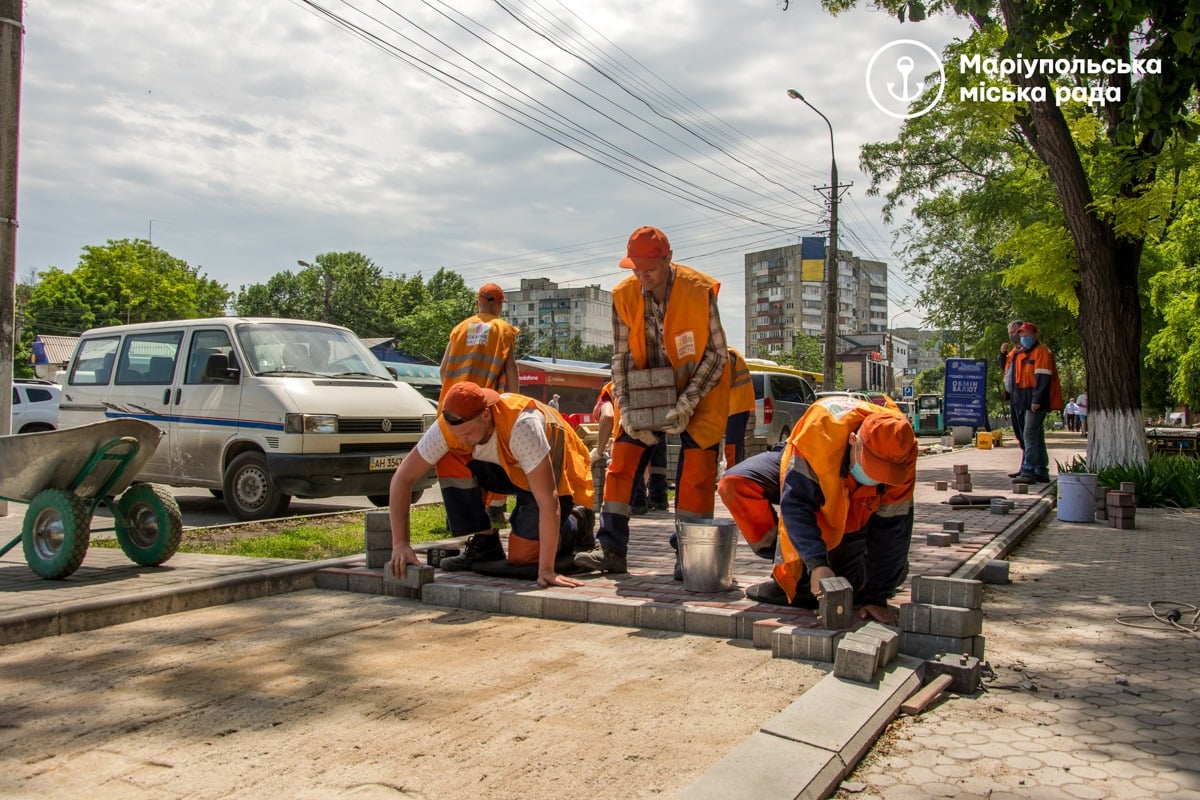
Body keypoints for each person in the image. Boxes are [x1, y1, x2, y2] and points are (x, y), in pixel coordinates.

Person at [575, 226, 730, 575]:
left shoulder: (698, 289)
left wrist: (687, 402)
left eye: (649, 269)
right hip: (646, 390)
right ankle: (611, 549)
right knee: (621, 463)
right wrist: (627, 409)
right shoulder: (624, 295)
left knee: (697, 474)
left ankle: (690, 556)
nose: (642, 277)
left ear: (668, 259)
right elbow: (621, 359)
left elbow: (717, 355)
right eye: (636, 270)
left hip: (701, 388)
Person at [717, 397, 917, 624]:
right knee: (735, 483)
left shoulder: (902, 449)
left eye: (884, 473)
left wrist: (877, 596)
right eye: (871, 467)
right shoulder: (820, 433)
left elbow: (893, 530)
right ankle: (794, 569)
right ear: (854, 440)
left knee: (843, 584)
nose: (875, 477)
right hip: (804, 459)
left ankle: (882, 573)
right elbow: (797, 504)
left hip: (856, 507)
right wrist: (816, 564)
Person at [387, 381, 594, 588]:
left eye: (467, 434)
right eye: (457, 434)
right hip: (509, 468)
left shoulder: (522, 426)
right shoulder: (450, 427)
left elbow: (548, 500)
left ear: (486, 415)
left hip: (552, 469)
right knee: (448, 456)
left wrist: (546, 570)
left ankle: (577, 520)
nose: (462, 440)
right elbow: (402, 478)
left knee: (523, 557)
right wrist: (400, 544)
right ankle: (485, 543)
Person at [440, 283, 520, 528]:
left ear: (478, 302)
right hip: (483, 410)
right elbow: (511, 371)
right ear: (497, 304)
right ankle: (489, 513)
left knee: (456, 464)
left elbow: (443, 370)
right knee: (488, 463)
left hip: (452, 410)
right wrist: (512, 404)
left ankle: (458, 518)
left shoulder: (459, 329)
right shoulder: (503, 330)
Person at [590, 380, 668, 516]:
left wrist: (598, 452)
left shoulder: (605, 395)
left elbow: (608, 416)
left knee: (632, 462)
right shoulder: (627, 381)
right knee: (656, 462)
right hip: (656, 414)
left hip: (630, 425)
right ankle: (659, 498)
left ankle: (638, 503)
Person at [1011, 322, 1063, 484]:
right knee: (1036, 435)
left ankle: (1029, 470)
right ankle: (1041, 470)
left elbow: (1043, 377)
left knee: (1029, 434)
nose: (1023, 338)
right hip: (1025, 399)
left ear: (1035, 335)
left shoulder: (1041, 352)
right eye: (1021, 335)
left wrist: (1036, 400)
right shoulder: (1023, 353)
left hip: (1036, 400)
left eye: (1026, 335)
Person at [998, 320, 1025, 473]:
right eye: (1009, 332)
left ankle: (1032, 468)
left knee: (1027, 435)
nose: (1011, 335)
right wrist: (1002, 354)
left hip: (1025, 397)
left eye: (1013, 332)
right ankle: (1025, 467)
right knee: (1020, 434)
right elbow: (1006, 368)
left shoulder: (1028, 350)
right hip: (1014, 396)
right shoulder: (1014, 351)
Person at [724, 347, 756, 468]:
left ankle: (732, 473)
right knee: (736, 444)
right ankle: (735, 472)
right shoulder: (731, 353)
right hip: (738, 406)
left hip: (736, 407)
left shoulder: (727, 355)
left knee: (733, 445)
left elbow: (727, 381)